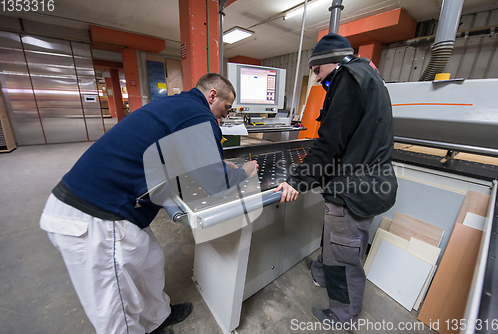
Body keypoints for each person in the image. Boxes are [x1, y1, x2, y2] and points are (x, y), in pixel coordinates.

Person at [40, 73, 258, 334]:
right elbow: (217, 184)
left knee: (149, 260)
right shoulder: (200, 116)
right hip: (95, 214)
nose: (223, 116)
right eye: (225, 108)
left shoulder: (178, 106)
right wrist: (245, 170)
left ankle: (157, 318)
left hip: (117, 203)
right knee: (115, 305)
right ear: (212, 96)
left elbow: (180, 151)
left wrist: (217, 163)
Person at [275, 33, 397, 332]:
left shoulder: (348, 78)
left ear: (332, 62)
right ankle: (320, 271)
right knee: (336, 239)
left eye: (317, 71)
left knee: (344, 256)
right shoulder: (369, 75)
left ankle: (343, 316)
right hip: (364, 182)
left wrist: (297, 180)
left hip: (353, 188)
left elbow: (329, 142)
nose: (317, 79)